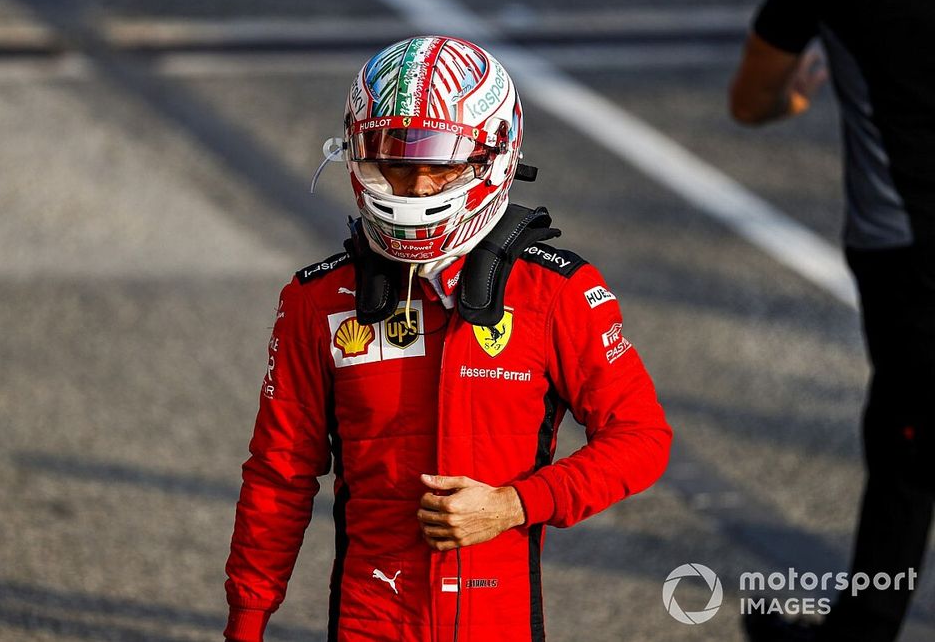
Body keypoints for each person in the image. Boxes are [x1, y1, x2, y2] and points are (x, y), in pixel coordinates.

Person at [223, 36, 672, 642]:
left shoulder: (556, 292)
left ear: (493, 157)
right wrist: (245, 624)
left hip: (500, 621)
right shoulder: (316, 301)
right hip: (368, 622)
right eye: (394, 163)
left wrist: (513, 506)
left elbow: (641, 438)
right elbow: (279, 473)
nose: (415, 188)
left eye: (439, 165)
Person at [729, 0, 935, 641]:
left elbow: (751, 99)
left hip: (908, 245)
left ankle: (863, 630)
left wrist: (791, 98)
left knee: (905, 444)